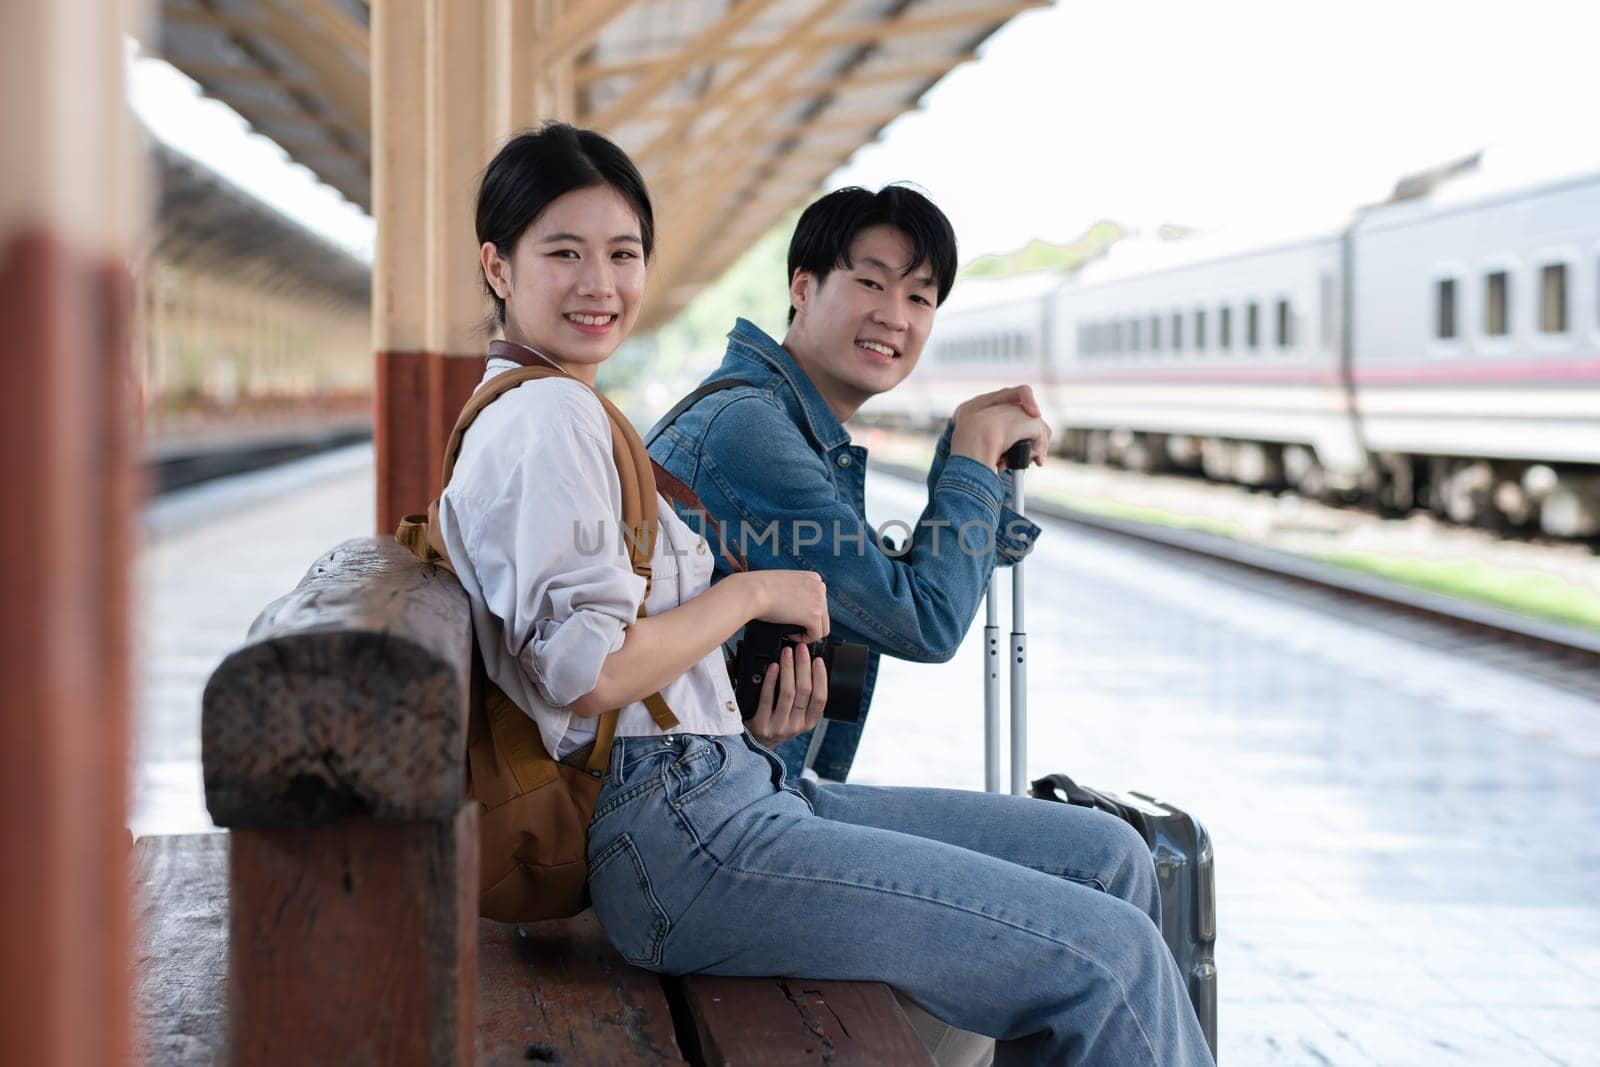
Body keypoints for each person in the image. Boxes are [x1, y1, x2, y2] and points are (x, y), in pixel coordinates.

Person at [439, 122, 1214, 1066]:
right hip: (681, 829)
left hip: (726, 783)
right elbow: (586, 669)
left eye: (623, 252)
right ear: (499, 265)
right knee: (1113, 952)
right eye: (564, 252)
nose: (600, 283)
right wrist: (755, 591)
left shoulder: (561, 405)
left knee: (1108, 857)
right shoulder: (556, 415)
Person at [646, 185, 1051, 782]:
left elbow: (901, 586)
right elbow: (924, 620)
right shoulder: (749, 429)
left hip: (739, 780)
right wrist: (970, 457)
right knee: (1095, 851)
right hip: (692, 801)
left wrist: (968, 459)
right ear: (802, 288)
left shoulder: (786, 423)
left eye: (920, 296)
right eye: (871, 283)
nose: (895, 316)